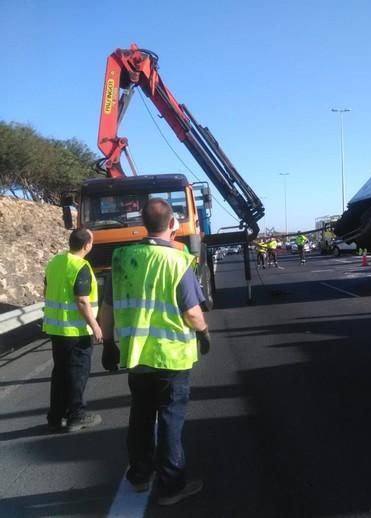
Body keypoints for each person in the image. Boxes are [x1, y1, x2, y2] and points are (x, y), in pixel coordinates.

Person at [99, 198, 211, 506]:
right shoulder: (177, 261)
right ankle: (171, 486)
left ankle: (138, 476)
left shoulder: (120, 259)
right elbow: (192, 312)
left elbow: (106, 308)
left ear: (143, 224)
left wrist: (108, 343)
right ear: (173, 224)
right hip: (172, 358)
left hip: (136, 357)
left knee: (141, 417)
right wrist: (203, 332)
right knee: (171, 421)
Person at [43, 228, 103, 433]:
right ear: (86, 245)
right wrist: (95, 325)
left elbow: (47, 289)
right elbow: (81, 300)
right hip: (76, 331)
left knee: (60, 372)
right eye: (92, 241)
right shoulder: (81, 267)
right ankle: (76, 415)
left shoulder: (55, 263)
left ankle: (55, 416)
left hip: (56, 329)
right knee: (77, 373)